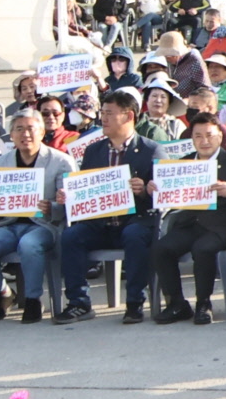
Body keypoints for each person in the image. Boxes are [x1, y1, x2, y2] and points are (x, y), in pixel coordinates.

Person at [57, 88, 158, 323]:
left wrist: (143, 191)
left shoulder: (150, 150)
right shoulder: (94, 150)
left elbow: (164, 199)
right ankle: (78, 303)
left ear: (129, 116)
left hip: (135, 222)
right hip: (101, 223)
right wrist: (69, 196)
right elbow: (86, 189)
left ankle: (134, 302)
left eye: (110, 113)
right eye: (102, 112)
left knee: (135, 235)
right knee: (71, 236)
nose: (103, 118)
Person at [0, 107, 71, 323]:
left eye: (31, 129)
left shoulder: (60, 161)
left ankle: (33, 299)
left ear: (42, 132)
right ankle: (3, 295)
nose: (25, 134)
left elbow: (71, 203)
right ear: (11, 135)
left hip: (44, 225)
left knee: (29, 244)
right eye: (19, 129)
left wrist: (52, 206)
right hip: (8, 224)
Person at [148, 110, 226, 323]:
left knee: (202, 249)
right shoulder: (182, 164)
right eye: (198, 136)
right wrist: (155, 189)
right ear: (191, 138)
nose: (204, 141)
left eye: (210, 135)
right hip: (189, 222)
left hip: (220, 226)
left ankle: (203, 303)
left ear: (220, 137)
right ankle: (177, 304)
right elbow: (168, 198)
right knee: (161, 249)